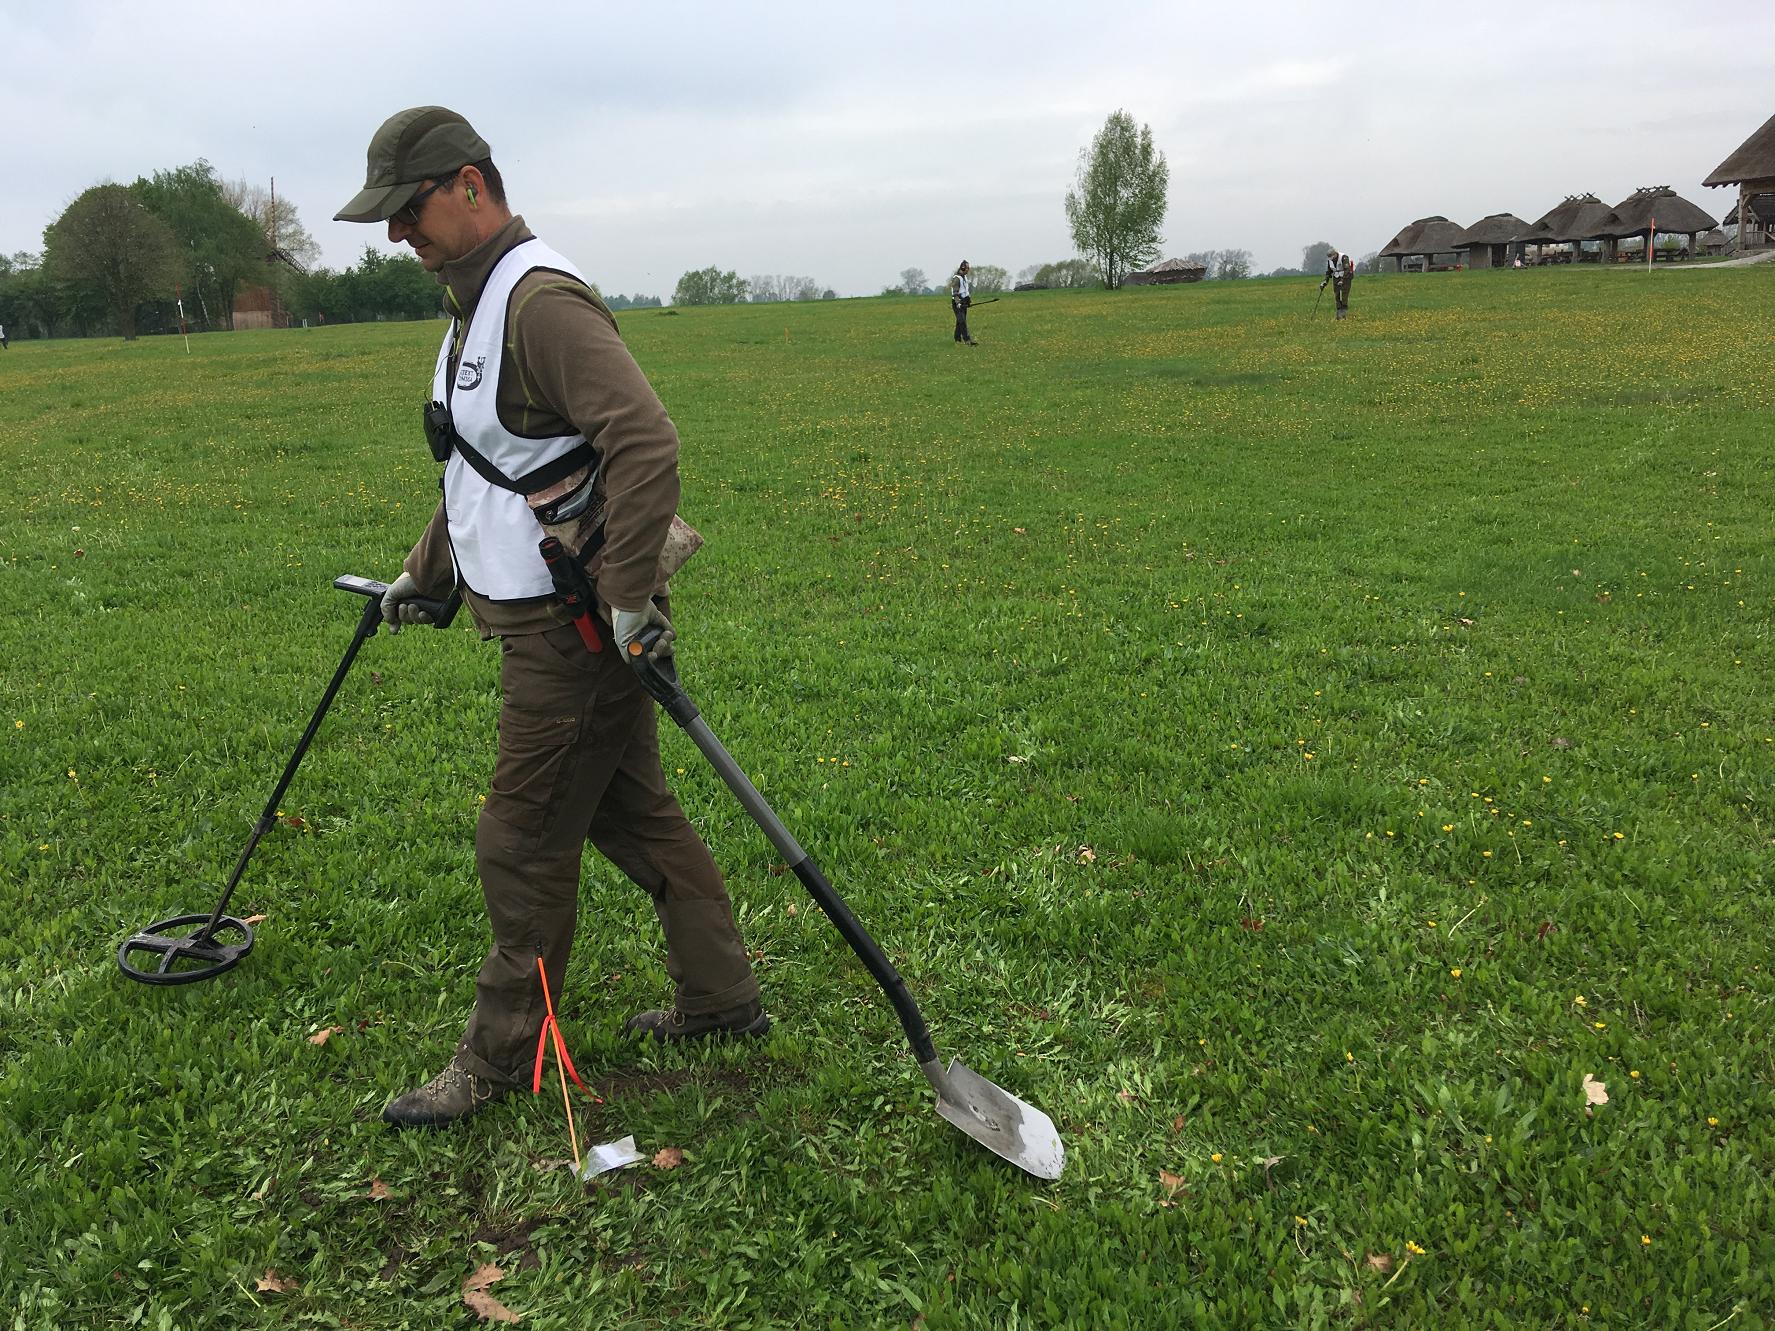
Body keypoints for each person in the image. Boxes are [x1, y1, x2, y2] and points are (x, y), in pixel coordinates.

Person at [334, 106, 765, 1129]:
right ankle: (720, 996)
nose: (400, 235)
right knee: (628, 808)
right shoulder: (470, 306)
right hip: (544, 620)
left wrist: (624, 600)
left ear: (471, 185)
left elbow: (644, 442)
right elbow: (484, 469)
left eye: (411, 211)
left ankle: (498, 1057)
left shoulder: (539, 303)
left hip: (568, 632)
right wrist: (423, 575)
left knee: (519, 837)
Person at [947, 260, 977, 345]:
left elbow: (965, 291)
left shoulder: (964, 278)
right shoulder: (956, 279)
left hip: (963, 302)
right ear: (963, 268)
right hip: (958, 303)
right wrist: (958, 303)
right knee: (962, 321)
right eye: (967, 268)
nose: (968, 270)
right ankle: (968, 341)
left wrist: (968, 300)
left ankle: (957, 339)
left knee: (959, 321)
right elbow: (955, 292)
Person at [1320, 248, 1355, 320]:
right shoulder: (1330, 261)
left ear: (1335, 254)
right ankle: (1338, 315)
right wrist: (1325, 281)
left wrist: (1342, 280)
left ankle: (1343, 315)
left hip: (1346, 277)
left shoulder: (1344, 257)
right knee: (1337, 295)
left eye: (1332, 256)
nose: (1331, 259)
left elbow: (1347, 270)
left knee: (1344, 296)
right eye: (1330, 257)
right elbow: (1329, 271)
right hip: (1336, 277)